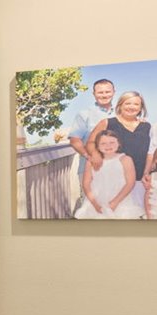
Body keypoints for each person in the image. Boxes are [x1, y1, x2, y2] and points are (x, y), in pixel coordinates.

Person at [85, 91, 151, 211]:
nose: (131, 107)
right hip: (113, 181)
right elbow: (90, 143)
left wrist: (148, 172)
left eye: (136, 104)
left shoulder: (147, 127)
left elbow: (151, 152)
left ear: (141, 108)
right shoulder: (107, 123)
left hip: (139, 181)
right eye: (128, 103)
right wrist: (95, 154)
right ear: (120, 105)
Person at [62, 77, 117, 215]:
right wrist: (89, 156)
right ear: (94, 94)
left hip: (117, 169)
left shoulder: (122, 113)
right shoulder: (84, 114)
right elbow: (75, 140)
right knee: (92, 210)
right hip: (91, 170)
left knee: (116, 209)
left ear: (114, 92)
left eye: (107, 92)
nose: (104, 95)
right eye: (100, 92)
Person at [75, 129, 141, 218]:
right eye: (103, 143)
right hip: (96, 202)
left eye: (112, 142)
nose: (108, 146)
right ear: (97, 146)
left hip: (121, 201)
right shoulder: (91, 162)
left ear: (118, 143)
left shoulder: (125, 159)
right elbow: (86, 184)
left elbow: (130, 183)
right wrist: (95, 204)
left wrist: (115, 202)